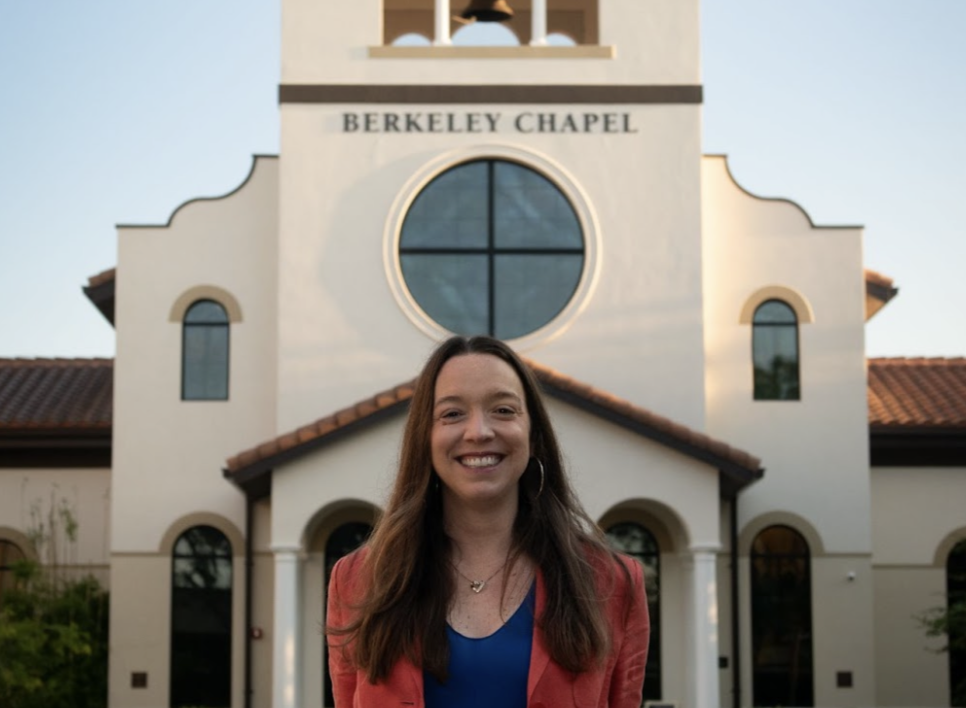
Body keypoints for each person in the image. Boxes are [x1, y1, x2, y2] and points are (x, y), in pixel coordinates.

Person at [326, 335, 649, 707]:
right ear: (425, 438)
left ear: (534, 434)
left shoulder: (611, 583)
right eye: (451, 413)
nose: (478, 431)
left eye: (503, 410)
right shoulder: (357, 582)